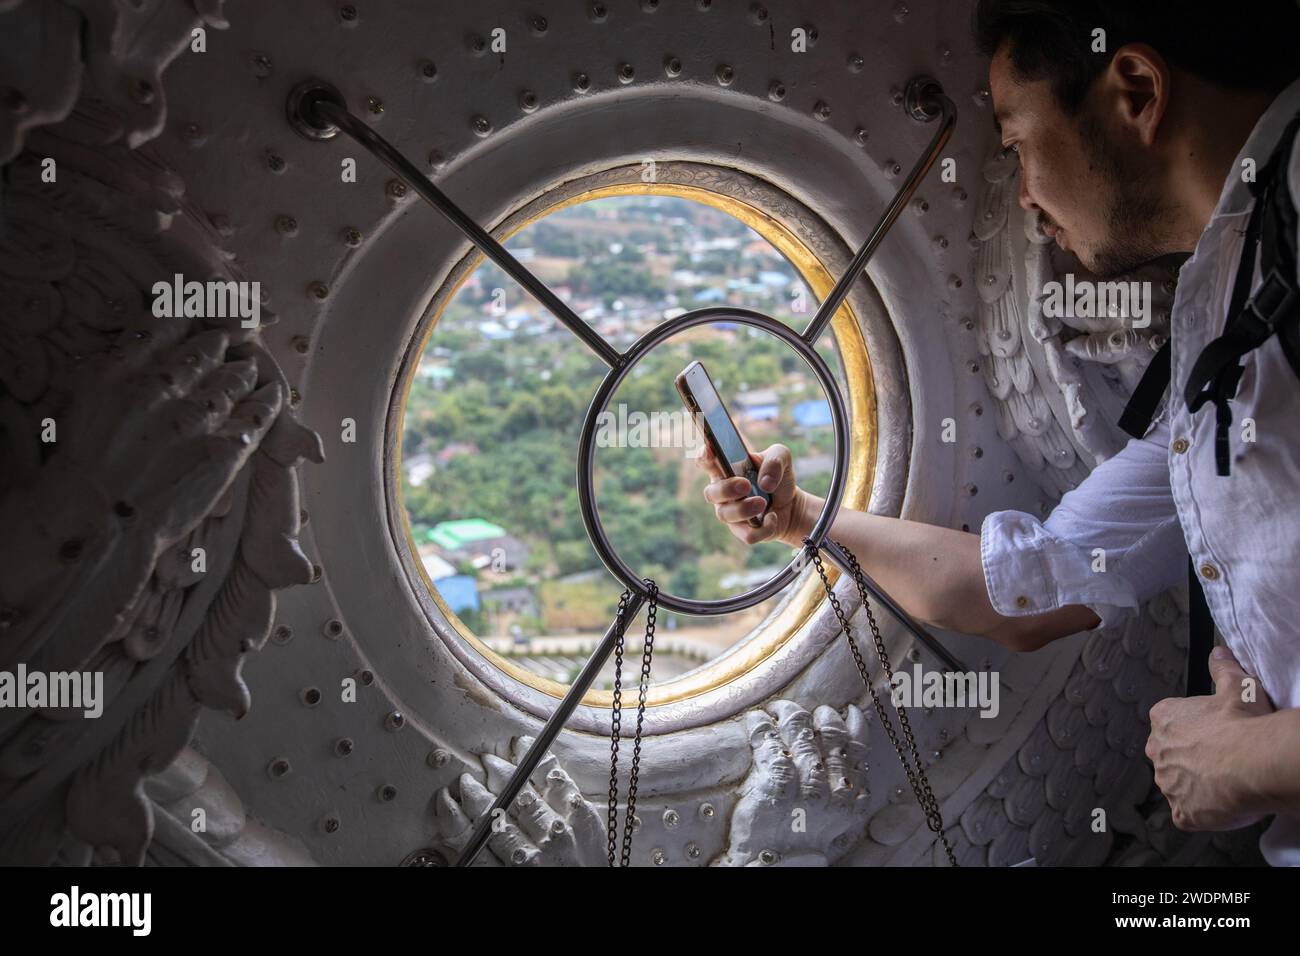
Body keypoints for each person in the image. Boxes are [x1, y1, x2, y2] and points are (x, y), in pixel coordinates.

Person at [696, 0, 1300, 865]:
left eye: (1018, 143)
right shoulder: (1224, 300)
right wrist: (805, 521)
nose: (1023, 195)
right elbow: (1039, 582)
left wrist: (1253, 761)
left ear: (1135, 91)